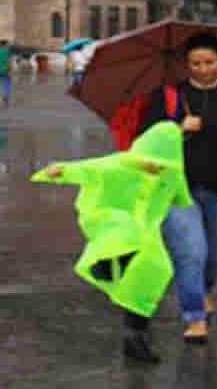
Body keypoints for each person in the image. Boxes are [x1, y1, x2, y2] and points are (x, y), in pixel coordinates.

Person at [130, 31, 217, 346]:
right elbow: (145, 139)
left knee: (215, 254)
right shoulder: (168, 97)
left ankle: (205, 290)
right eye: (196, 63)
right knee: (190, 252)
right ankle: (194, 316)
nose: (203, 69)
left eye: (209, 62)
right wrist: (175, 127)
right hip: (176, 189)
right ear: (186, 65)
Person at [33, 121, 190, 364]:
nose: (155, 168)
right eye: (151, 162)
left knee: (154, 272)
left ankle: (135, 337)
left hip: (146, 231)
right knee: (123, 233)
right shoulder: (119, 164)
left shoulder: (171, 174)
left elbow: (180, 197)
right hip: (110, 219)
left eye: (162, 165)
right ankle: (106, 261)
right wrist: (59, 171)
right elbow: (89, 169)